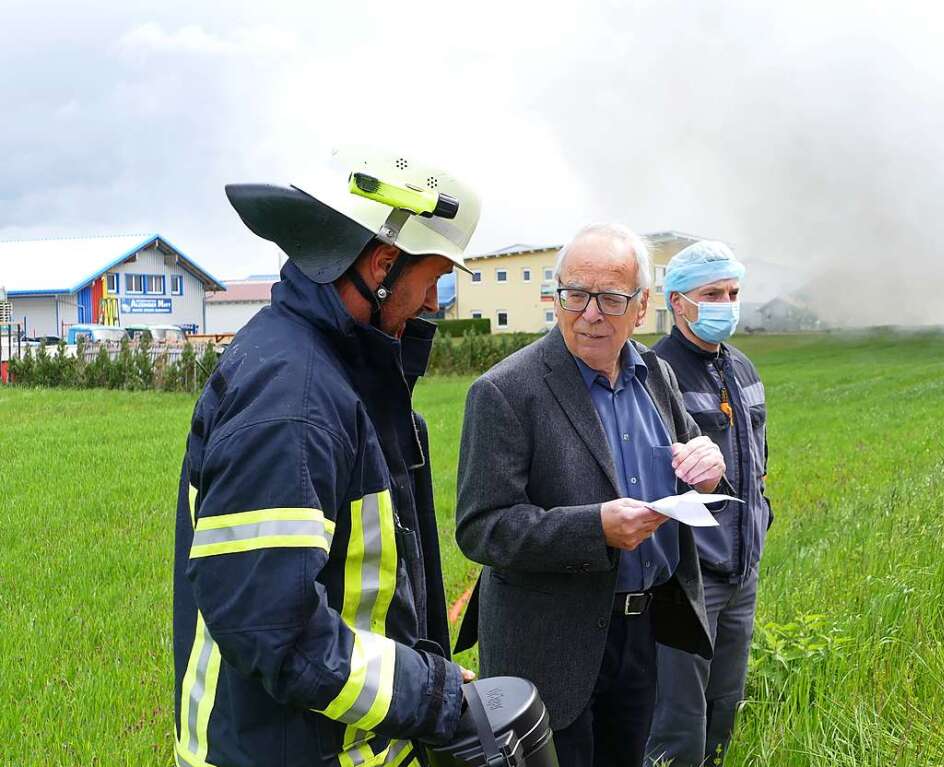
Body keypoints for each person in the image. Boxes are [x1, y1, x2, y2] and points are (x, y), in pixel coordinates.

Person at [172, 149, 481, 767]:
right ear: (384, 263)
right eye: (435, 276)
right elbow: (274, 629)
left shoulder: (344, 371)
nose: (435, 302)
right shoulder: (295, 398)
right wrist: (432, 693)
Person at [454, 223, 728, 767]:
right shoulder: (506, 391)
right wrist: (594, 529)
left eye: (610, 298)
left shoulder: (657, 375)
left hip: (641, 628)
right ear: (557, 297)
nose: (591, 314)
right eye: (575, 295)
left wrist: (709, 466)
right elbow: (482, 527)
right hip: (551, 645)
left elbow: (685, 461)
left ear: (642, 305)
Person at [645, 241, 772, 767]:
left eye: (733, 292)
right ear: (677, 302)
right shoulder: (653, 371)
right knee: (678, 718)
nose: (726, 302)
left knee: (725, 705)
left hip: (741, 571)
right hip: (689, 577)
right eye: (712, 294)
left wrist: (762, 520)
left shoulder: (741, 367)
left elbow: (758, 459)